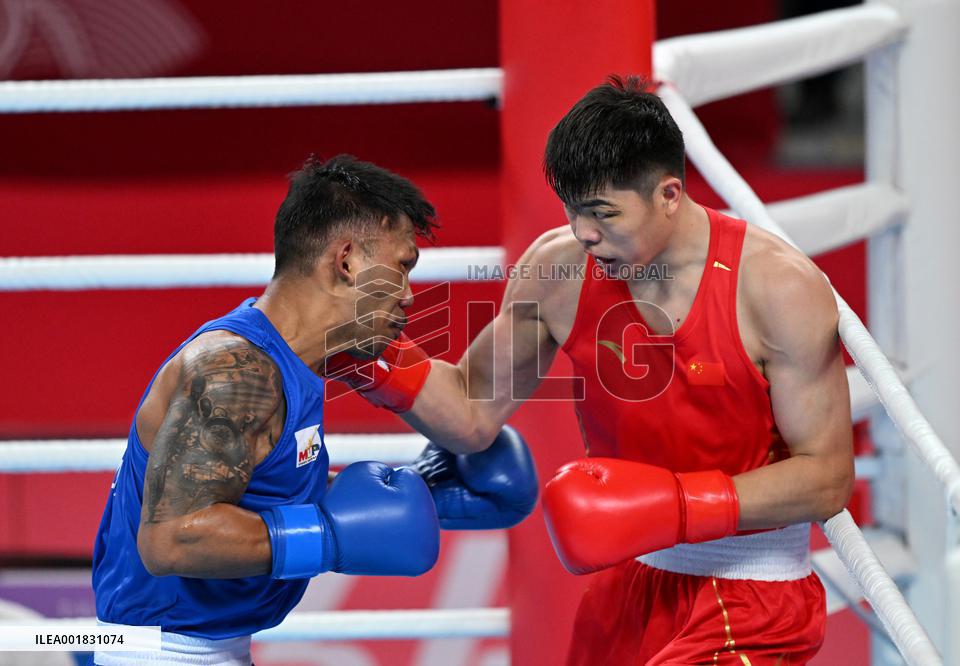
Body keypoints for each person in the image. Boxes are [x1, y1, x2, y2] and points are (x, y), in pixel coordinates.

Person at [333, 76, 855, 665]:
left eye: (603, 213)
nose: (584, 232)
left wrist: (676, 505)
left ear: (669, 195)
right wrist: (361, 353)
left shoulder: (777, 287)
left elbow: (827, 477)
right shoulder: (559, 271)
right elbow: (472, 409)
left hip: (754, 595)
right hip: (628, 589)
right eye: (573, 210)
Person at [89, 154, 538, 666]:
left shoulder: (304, 359)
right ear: (346, 260)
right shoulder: (236, 372)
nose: (411, 296)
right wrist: (329, 534)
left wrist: (422, 496)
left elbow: (246, 493)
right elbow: (171, 541)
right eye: (402, 266)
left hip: (210, 650)